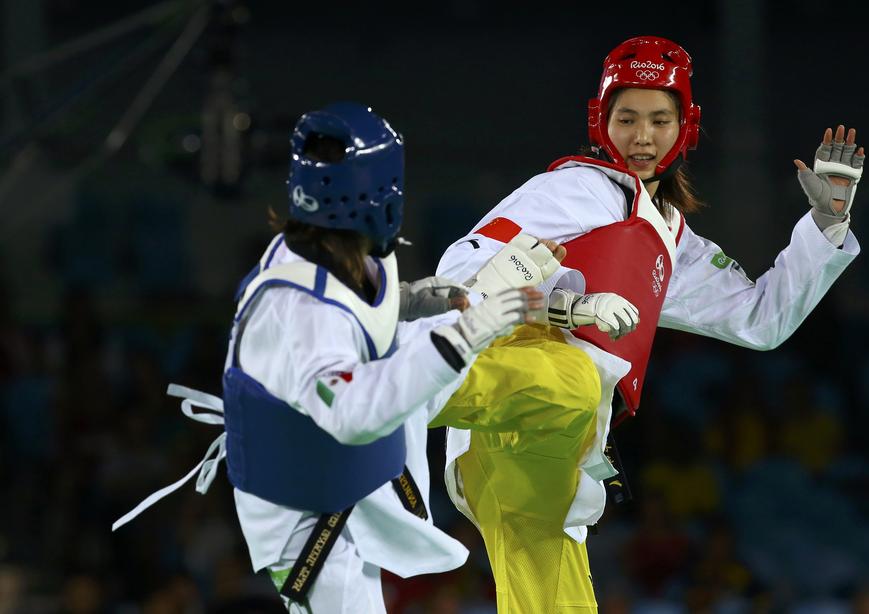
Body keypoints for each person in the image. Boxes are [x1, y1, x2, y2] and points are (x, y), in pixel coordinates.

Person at [431, 35, 864, 613]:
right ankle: (383, 390)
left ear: (687, 126)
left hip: (556, 452)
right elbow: (460, 274)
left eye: (660, 120)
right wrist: (561, 307)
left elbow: (763, 320)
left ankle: (380, 393)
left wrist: (826, 223)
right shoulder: (573, 188)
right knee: (572, 381)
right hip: (519, 403)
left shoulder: (669, 240)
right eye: (627, 118)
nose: (642, 136)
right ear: (599, 120)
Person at [112, 101, 560, 613]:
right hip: (308, 517)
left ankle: (481, 296)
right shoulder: (298, 309)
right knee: (444, 346)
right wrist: (470, 331)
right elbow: (353, 413)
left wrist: (407, 300)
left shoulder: (324, 252)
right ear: (382, 191)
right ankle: (483, 302)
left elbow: (353, 318)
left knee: (432, 337)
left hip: (339, 469)